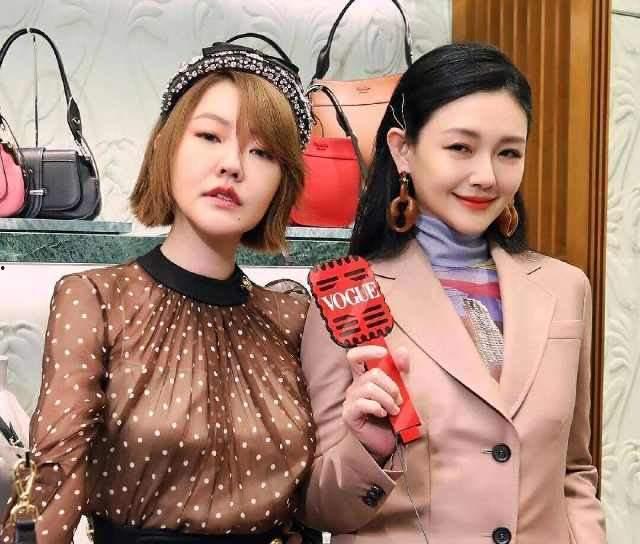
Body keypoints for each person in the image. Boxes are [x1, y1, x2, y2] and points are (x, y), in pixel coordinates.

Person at [0, 40, 318, 544]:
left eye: (262, 152)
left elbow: (310, 505)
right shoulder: (96, 299)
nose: (233, 164)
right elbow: (57, 477)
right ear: (165, 146)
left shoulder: (292, 319)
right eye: (210, 136)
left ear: (283, 182)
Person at [299, 43, 607, 544]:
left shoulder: (565, 288)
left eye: (509, 152)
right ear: (403, 149)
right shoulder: (350, 295)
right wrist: (367, 449)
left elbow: (573, 472)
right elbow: (318, 507)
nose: (486, 176)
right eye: (460, 148)